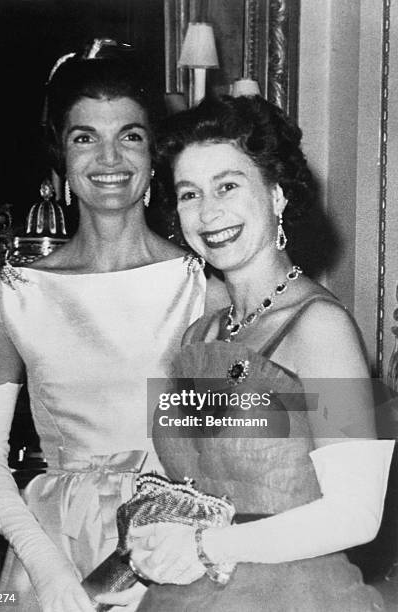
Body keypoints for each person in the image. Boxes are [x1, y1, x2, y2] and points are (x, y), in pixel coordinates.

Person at [0, 40, 224, 612]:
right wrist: (46, 565)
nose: (110, 159)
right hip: (52, 550)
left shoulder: (202, 289)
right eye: (86, 138)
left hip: (171, 542)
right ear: (60, 152)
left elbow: (251, 440)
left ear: (155, 153)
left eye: (129, 135)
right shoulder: (17, 295)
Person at [129, 95, 395, 611]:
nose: (208, 212)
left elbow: (359, 514)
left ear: (276, 195)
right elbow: (194, 484)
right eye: (189, 194)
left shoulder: (323, 328)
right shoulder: (198, 336)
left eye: (228, 186)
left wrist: (209, 546)